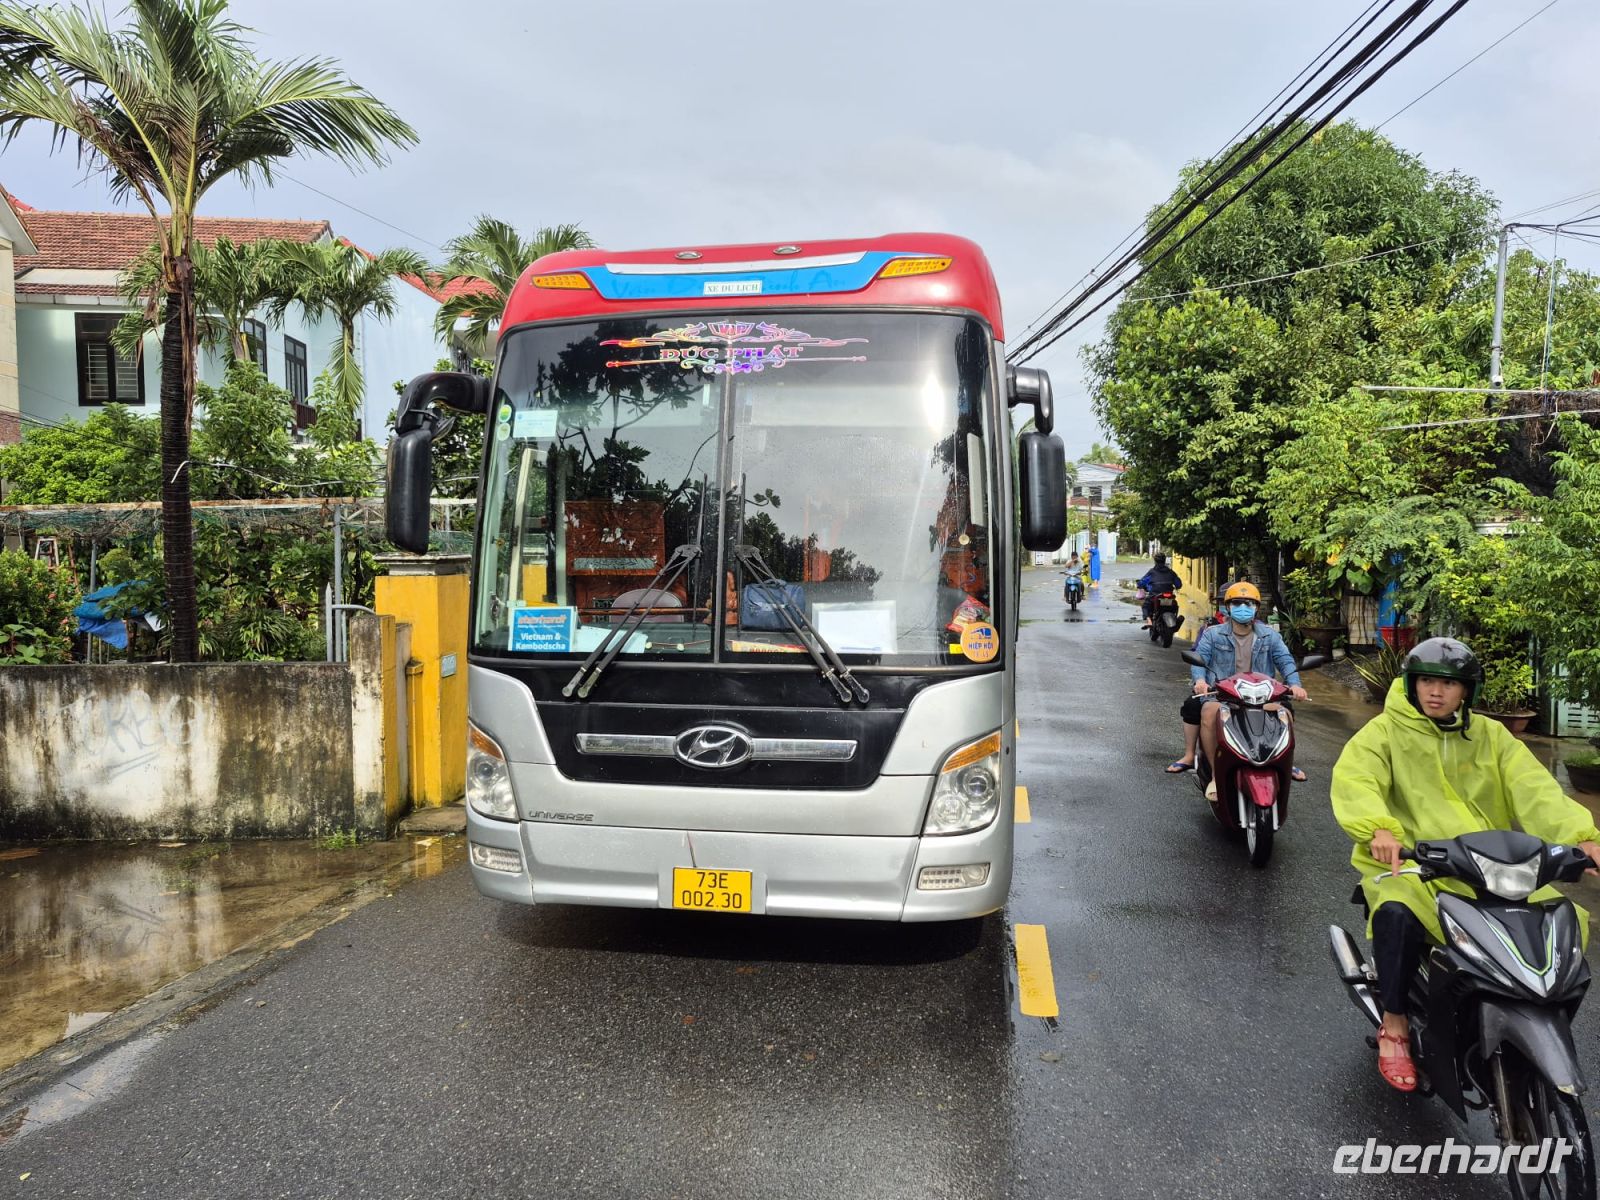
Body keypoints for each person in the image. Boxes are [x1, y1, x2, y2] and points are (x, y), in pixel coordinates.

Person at [1331, 637, 1600, 1092]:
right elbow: (1358, 779)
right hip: (1413, 864)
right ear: (1412, 685)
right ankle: (1395, 1025)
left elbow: (1535, 789)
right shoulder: (1383, 733)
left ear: (1467, 692)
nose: (1436, 692)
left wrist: (1581, 837)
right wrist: (1378, 828)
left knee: (1561, 921)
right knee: (1396, 913)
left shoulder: (1492, 736)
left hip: (1488, 863)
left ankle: (1529, 1020)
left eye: (1449, 684)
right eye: (1427, 681)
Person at [1166, 581, 1308, 779]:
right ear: (1228, 607)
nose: (1243, 607)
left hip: (1261, 696)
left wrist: (1295, 685)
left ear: (1256, 608)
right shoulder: (1212, 634)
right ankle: (1214, 775)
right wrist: (1200, 681)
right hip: (1223, 695)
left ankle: (1284, 761)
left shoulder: (1270, 635)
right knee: (1206, 711)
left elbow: (1285, 661)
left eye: (1248, 603)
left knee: (1285, 713)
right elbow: (1200, 660)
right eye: (1237, 603)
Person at [1137, 553, 1182, 627]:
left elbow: (1141, 583)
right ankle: (1176, 619)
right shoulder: (1171, 572)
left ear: (1155, 561)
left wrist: (1139, 585)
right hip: (1169, 597)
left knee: (1145, 606)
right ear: (1164, 561)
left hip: (1155, 596)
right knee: (1175, 605)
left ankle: (1149, 621)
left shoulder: (1152, 572)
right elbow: (1179, 584)